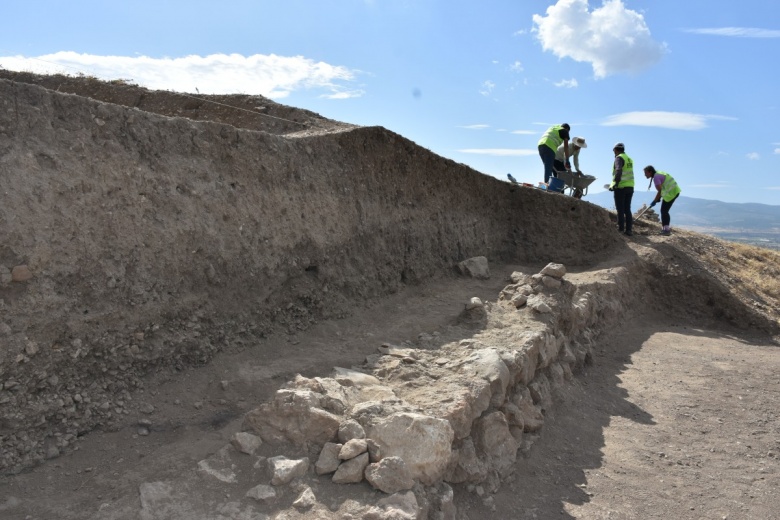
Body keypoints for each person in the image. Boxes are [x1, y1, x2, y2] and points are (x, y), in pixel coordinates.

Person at [644, 165, 681, 236]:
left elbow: (660, 191)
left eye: (646, 173)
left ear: (650, 172)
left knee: (664, 211)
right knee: (664, 210)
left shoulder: (656, 178)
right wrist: (658, 199)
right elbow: (661, 189)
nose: (645, 175)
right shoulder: (658, 173)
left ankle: (666, 230)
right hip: (674, 191)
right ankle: (665, 229)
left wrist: (654, 201)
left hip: (671, 193)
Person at [609, 142, 634, 236]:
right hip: (630, 187)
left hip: (621, 187)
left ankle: (620, 229)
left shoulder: (619, 158)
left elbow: (618, 171)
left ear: (615, 149)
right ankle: (629, 230)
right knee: (627, 209)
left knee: (620, 208)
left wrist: (616, 184)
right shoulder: (629, 159)